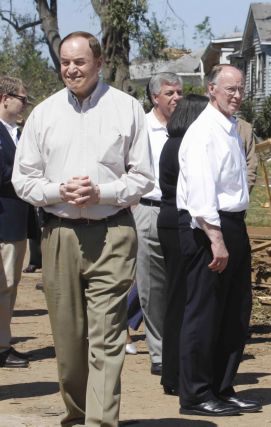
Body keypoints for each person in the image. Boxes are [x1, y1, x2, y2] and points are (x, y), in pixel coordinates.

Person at [12, 31, 154, 426]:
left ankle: (99, 423)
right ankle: (77, 416)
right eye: (65, 62)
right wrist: (58, 189)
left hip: (112, 232)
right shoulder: (43, 114)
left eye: (79, 62)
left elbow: (143, 177)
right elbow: (23, 180)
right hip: (58, 235)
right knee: (70, 347)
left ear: (98, 63)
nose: (71, 69)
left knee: (106, 340)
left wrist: (101, 192)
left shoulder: (126, 109)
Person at [176, 64, 258, 416]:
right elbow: (200, 188)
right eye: (230, 89)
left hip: (233, 223)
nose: (236, 95)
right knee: (204, 313)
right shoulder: (202, 131)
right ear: (211, 89)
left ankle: (222, 386)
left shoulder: (229, 129)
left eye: (240, 89)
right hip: (208, 227)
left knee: (235, 313)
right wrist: (216, 238)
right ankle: (195, 393)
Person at [157, 93, 209, 396]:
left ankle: (173, 371)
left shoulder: (171, 143)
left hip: (167, 221)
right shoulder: (183, 146)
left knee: (177, 296)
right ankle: (176, 373)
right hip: (179, 222)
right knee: (182, 298)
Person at [134, 72, 183, 376]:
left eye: (179, 92)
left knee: (181, 283)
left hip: (180, 211)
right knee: (151, 287)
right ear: (155, 97)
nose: (176, 97)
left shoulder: (187, 127)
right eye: (169, 93)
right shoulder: (140, 127)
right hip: (148, 209)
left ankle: (179, 347)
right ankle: (159, 352)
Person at [0, 76, 30, 368]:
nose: (25, 104)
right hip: (4, 221)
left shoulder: (18, 133)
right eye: (23, 98)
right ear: (5, 98)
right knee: (4, 284)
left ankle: (4, 340)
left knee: (11, 284)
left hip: (18, 221)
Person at [237, 117, 258, 192]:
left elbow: (251, 164)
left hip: (238, 198)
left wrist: (244, 193)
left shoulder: (245, 128)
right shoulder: (203, 124)